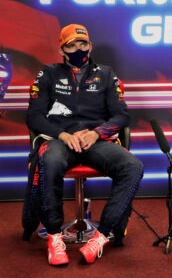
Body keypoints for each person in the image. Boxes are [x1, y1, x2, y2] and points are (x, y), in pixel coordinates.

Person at [26, 24, 144, 265]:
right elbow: (34, 117)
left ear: (90, 46)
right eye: (71, 45)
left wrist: (97, 133)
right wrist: (63, 135)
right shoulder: (47, 73)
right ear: (61, 49)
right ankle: (55, 237)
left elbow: (121, 116)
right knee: (49, 160)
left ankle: (102, 236)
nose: (78, 49)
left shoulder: (107, 74)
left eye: (83, 44)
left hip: (95, 142)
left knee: (133, 166)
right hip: (59, 141)